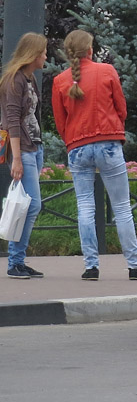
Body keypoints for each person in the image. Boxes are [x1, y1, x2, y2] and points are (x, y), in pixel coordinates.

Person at [51, 30, 137, 280]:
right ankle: (134, 265)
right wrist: (114, 129)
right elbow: (121, 108)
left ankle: (91, 266)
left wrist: (72, 141)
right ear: (90, 49)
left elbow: (60, 122)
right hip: (107, 142)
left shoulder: (60, 81)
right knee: (121, 207)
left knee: (84, 206)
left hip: (77, 146)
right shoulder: (107, 71)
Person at [2, 33, 48, 279]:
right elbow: (12, 121)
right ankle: (14, 262)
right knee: (30, 205)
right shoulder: (14, 81)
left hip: (35, 148)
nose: (46, 56)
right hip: (23, 150)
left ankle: (18, 260)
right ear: (32, 54)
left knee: (26, 205)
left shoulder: (30, 79)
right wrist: (17, 158)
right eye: (43, 52)